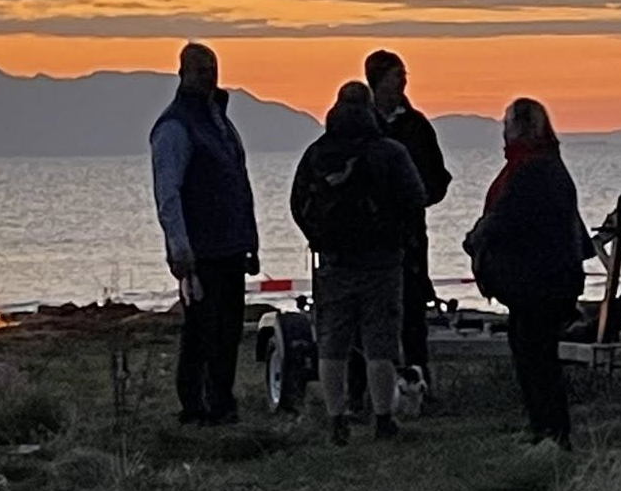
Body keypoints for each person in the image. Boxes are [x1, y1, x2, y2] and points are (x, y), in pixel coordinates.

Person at [291, 81, 427, 445]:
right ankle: (383, 418)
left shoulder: (317, 154)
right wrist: (403, 240)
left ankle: (337, 420)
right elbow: (416, 199)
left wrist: (318, 238)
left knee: (333, 344)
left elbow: (297, 203)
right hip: (382, 263)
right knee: (380, 343)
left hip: (334, 263)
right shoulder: (390, 152)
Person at [463, 98, 588, 449]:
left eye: (507, 124)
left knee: (537, 358)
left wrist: (477, 238)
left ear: (520, 127)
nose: (503, 131)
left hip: (539, 283)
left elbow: (508, 219)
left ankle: (552, 431)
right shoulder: (545, 165)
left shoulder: (533, 169)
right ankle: (545, 428)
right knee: (534, 355)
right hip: (541, 280)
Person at [149, 43, 260, 426]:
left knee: (227, 330)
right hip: (202, 249)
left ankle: (220, 402)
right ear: (182, 73)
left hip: (229, 244)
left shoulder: (218, 122)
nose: (208, 76)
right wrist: (179, 247)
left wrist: (250, 241)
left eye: (212, 68)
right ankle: (196, 406)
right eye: (200, 70)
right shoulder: (176, 127)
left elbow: (237, 183)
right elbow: (168, 192)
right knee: (203, 330)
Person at [364, 49, 452, 393]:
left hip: (410, 235)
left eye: (404, 77)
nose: (402, 83)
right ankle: (370, 388)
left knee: (412, 312)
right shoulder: (360, 126)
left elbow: (438, 179)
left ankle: (419, 384)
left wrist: (417, 198)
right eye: (395, 76)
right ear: (377, 81)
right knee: (370, 314)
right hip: (369, 238)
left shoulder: (416, 126)